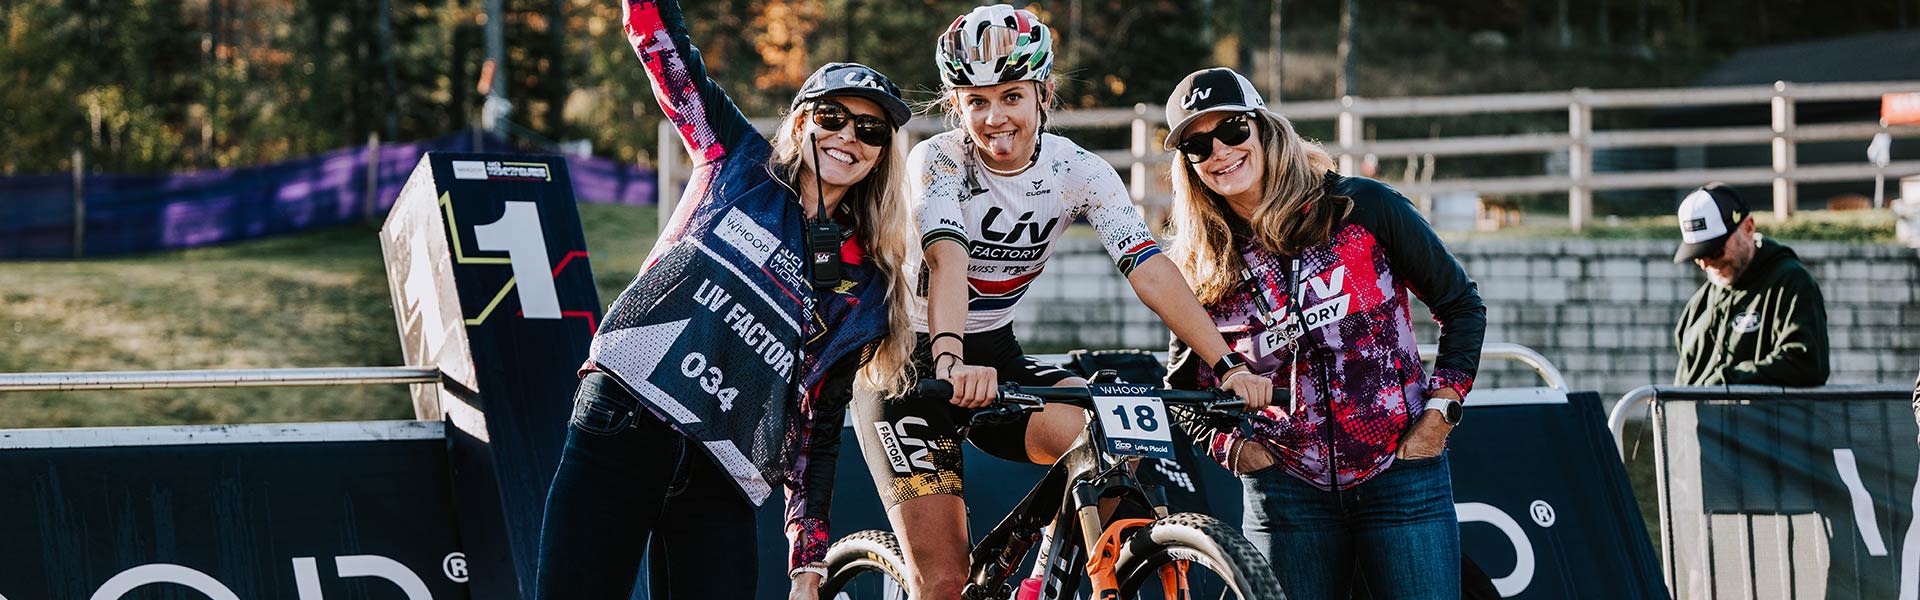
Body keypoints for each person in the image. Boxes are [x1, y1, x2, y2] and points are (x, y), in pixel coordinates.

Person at [848, 6, 1271, 599]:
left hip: (994, 351)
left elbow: (1149, 268)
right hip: (910, 367)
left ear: (1043, 92)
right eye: (976, 101)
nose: (995, 118)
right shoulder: (937, 159)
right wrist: (948, 362)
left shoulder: (1080, 170)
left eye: (1011, 96)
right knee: (943, 578)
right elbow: (948, 261)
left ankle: (1041, 584)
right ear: (956, 106)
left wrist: (1228, 364)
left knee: (1105, 447)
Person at [533, 1, 917, 598]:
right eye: (833, 117)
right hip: (625, 423)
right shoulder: (736, 159)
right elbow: (664, 46)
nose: (848, 137)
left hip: (725, 475)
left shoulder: (867, 289)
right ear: (799, 123)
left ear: (882, 154)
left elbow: (817, 433)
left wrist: (808, 564)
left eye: (870, 130)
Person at [1158, 67, 1487, 599]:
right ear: (1188, 165)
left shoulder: (1361, 208)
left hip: (1402, 476)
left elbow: (1461, 305)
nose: (1220, 151)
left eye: (1234, 130)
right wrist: (1236, 451)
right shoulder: (1196, 264)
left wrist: (1440, 413)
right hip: (1285, 495)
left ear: (1265, 129)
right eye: (1198, 144)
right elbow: (1182, 391)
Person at [1672, 183, 1830, 387]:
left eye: (1714, 251)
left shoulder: (1789, 283)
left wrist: (1727, 382)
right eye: (1697, 256)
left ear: (1748, 228)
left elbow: (1806, 362)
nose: (1705, 264)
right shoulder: (1698, 305)